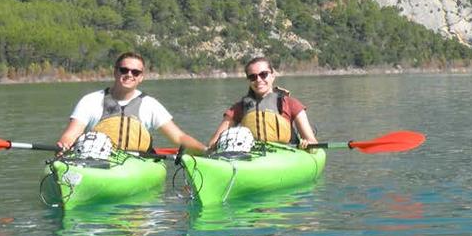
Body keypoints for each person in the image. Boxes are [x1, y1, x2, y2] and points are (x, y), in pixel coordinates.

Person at [57, 51, 206, 154]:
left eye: (135, 72)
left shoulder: (150, 105)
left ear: (141, 77)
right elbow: (71, 134)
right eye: (124, 70)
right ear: (115, 72)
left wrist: (205, 151)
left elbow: (179, 138)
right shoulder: (90, 101)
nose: (129, 75)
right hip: (97, 160)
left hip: (138, 164)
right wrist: (65, 144)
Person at [207, 56, 318, 150]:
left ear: (272, 76)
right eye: (252, 77)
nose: (258, 80)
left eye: (263, 74)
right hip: (251, 156)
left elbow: (312, 141)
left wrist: (308, 146)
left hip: (286, 154)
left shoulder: (291, 104)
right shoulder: (238, 108)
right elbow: (213, 142)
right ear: (249, 81)